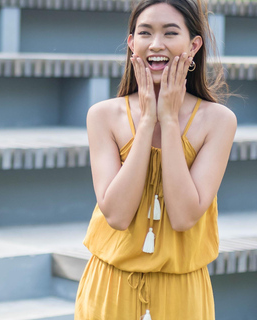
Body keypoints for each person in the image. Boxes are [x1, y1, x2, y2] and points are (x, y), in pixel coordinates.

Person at [75, 0, 236, 319]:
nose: (156, 44)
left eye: (170, 32)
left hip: (182, 291)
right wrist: (148, 121)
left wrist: (170, 120)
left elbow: (183, 216)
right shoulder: (104, 115)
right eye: (145, 33)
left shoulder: (218, 121)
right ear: (132, 43)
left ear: (193, 46)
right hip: (110, 287)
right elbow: (118, 215)